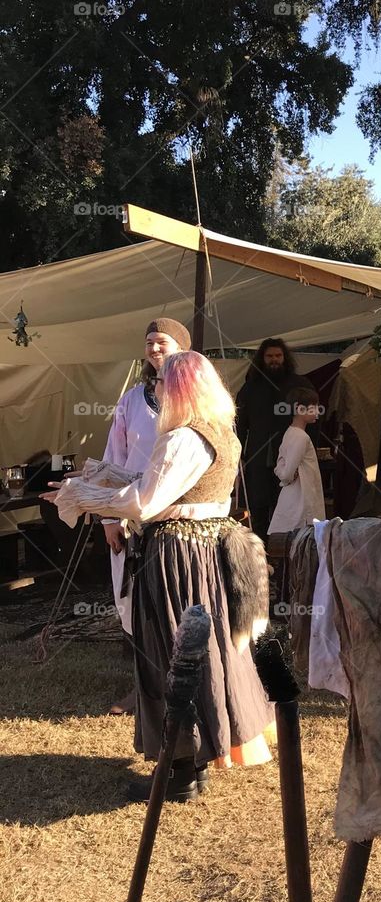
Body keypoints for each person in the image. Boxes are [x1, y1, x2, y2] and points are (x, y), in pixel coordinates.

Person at [45, 351, 273, 803]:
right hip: (203, 555)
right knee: (202, 654)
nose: (160, 393)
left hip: (175, 559)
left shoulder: (183, 439)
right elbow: (167, 485)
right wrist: (104, 474)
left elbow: (143, 503)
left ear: (182, 390)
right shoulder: (221, 434)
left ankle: (181, 771)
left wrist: (80, 495)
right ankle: (195, 762)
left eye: (166, 386)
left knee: (170, 655)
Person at [102, 317, 190, 715]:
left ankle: (185, 690)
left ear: (182, 349)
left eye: (162, 342)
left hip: (182, 520)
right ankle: (144, 689)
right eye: (149, 342)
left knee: (178, 604)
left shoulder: (195, 399)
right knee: (134, 604)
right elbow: (113, 460)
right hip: (133, 515)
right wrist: (108, 519)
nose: (154, 348)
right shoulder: (131, 401)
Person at [236, 338, 313, 541]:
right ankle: (261, 556)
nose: (274, 360)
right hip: (258, 456)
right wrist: (239, 456)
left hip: (291, 457)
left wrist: (304, 458)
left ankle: (287, 556)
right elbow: (239, 424)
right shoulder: (250, 388)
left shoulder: (300, 385)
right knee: (258, 508)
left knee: (289, 509)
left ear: (284, 357)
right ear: (262, 359)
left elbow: (313, 421)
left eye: (278, 356)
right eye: (269, 356)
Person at [269, 386, 326, 534]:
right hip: (301, 495)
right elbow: (287, 471)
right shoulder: (301, 437)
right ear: (300, 410)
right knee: (301, 534)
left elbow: (280, 464)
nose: (317, 412)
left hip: (297, 491)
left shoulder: (291, 432)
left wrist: (284, 476)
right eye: (313, 408)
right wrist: (285, 478)